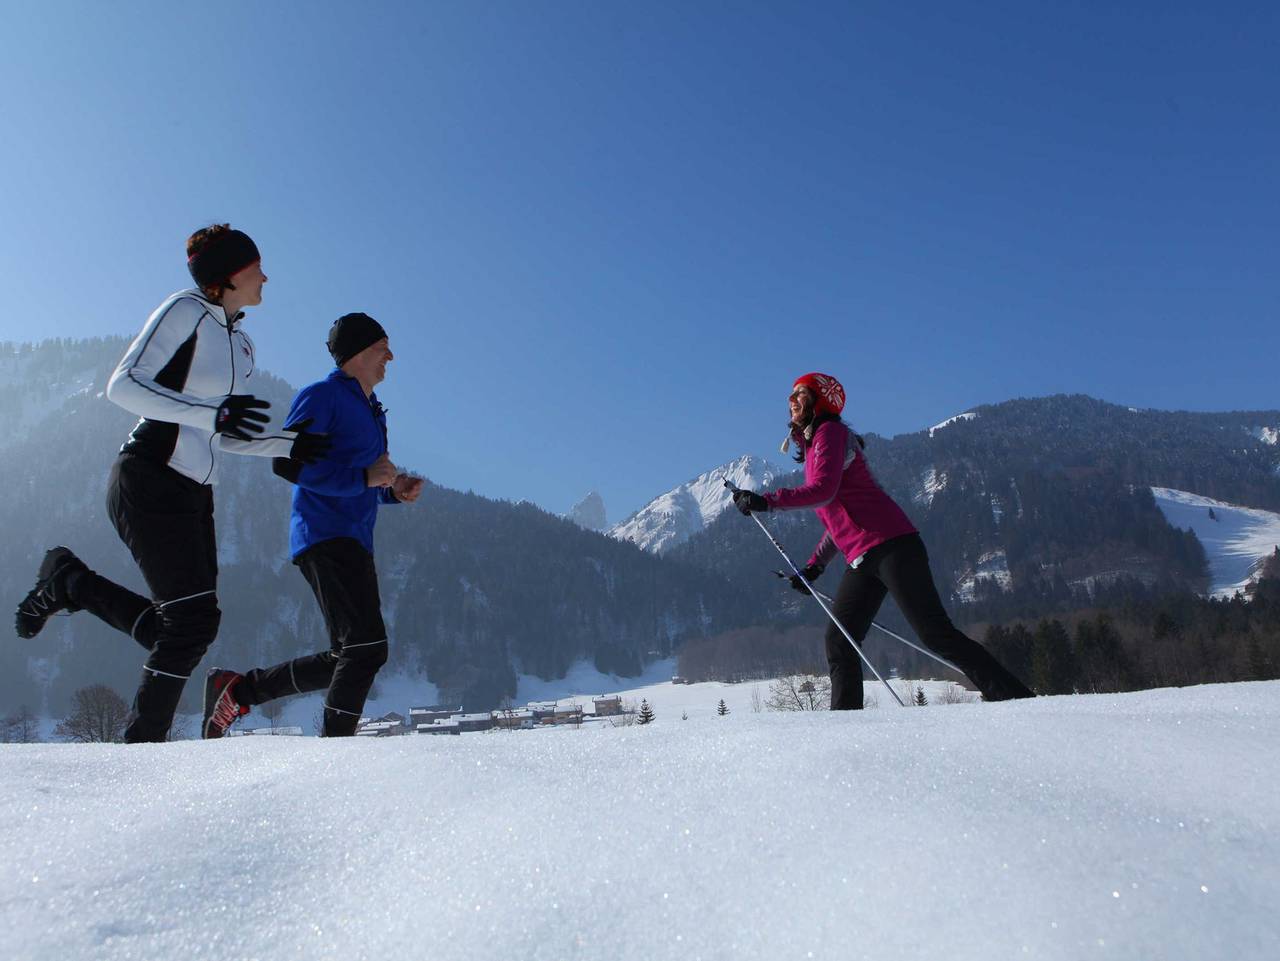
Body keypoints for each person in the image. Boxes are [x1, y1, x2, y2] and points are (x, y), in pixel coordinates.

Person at [13, 224, 329, 742]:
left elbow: (222, 435)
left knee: (187, 626)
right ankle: (142, 748)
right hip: (147, 474)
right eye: (256, 268)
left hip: (193, 491)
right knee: (188, 625)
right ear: (226, 277)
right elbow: (124, 386)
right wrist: (214, 412)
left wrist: (287, 444)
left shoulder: (244, 346)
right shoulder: (185, 310)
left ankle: (71, 584)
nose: (265, 276)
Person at [731, 372, 1034, 709]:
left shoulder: (831, 432)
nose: (791, 402)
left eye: (800, 395)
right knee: (840, 641)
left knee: (935, 634)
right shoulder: (817, 444)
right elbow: (839, 520)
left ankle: (1016, 699)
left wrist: (766, 501)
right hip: (862, 559)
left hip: (894, 545)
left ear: (819, 402)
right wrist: (815, 567)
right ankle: (846, 726)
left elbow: (823, 492)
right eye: (791, 396)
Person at [200, 312, 424, 738]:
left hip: (354, 538)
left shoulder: (374, 413)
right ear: (357, 353)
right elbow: (287, 462)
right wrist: (364, 478)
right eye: (382, 348)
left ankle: (239, 690)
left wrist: (391, 491)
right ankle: (335, 754)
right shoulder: (321, 396)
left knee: (349, 653)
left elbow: (361, 480)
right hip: (323, 534)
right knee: (365, 648)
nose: (390, 356)